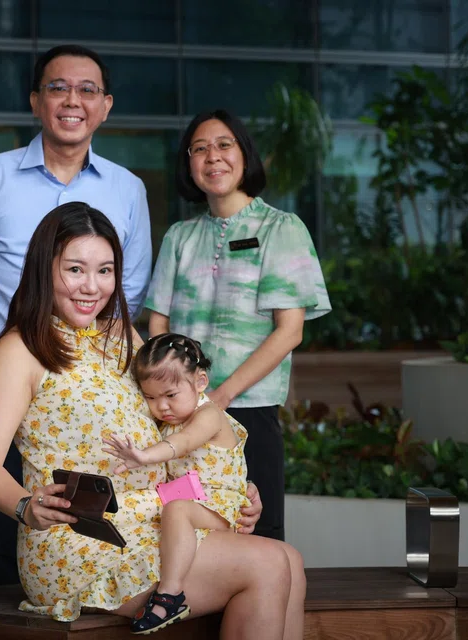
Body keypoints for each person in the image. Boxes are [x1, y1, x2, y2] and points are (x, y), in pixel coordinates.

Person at [0, 202, 305, 639]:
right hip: (82, 538)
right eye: (75, 269)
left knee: (290, 560)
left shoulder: (123, 336)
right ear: (44, 269)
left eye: (105, 271)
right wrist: (25, 506)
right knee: (268, 563)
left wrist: (226, 489)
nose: (91, 286)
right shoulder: (19, 350)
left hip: (159, 518)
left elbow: (174, 424)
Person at [0, 44, 152, 585]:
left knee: (95, 500)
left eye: (87, 90)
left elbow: (129, 285)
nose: (72, 101)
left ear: (105, 106)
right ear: (36, 100)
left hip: (92, 368)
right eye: (58, 88)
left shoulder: (127, 189)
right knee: (6, 519)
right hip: (6, 362)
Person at [144, 109, 331, 541]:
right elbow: (159, 323)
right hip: (179, 414)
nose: (213, 157)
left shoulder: (281, 228)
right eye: (199, 149)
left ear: (245, 154)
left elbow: (290, 331)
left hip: (249, 410)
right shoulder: (179, 237)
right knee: (182, 531)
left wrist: (221, 396)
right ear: (189, 164)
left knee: (256, 534)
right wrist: (171, 394)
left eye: (224, 145)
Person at [103, 333, 251, 634]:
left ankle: (169, 595)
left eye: (171, 395)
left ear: (200, 382)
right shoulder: (169, 420)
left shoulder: (209, 415)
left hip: (223, 507)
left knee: (176, 510)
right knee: (172, 511)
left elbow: (183, 442)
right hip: (197, 503)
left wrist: (144, 456)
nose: (162, 406)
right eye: (151, 398)